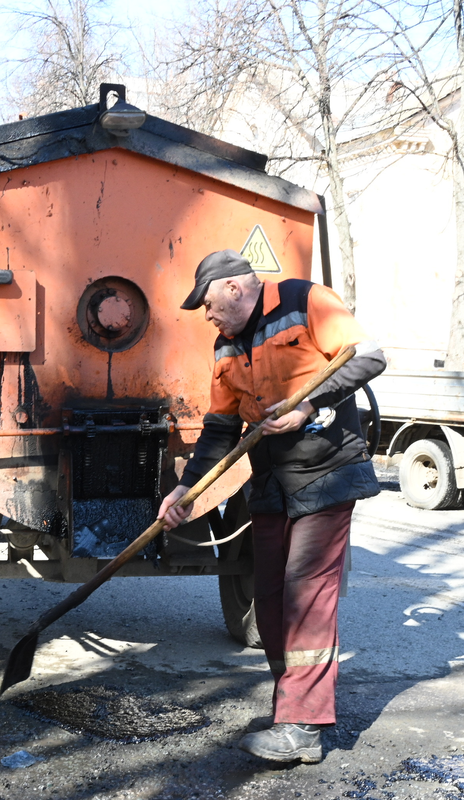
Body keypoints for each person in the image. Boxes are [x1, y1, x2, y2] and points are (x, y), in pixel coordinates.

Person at [158, 249, 385, 764]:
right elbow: (219, 430)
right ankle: (292, 706)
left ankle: (303, 726)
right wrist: (185, 491)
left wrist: (310, 403)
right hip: (271, 484)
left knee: (306, 594)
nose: (208, 317)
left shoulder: (307, 301)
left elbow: (369, 356)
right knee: (270, 599)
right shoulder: (225, 348)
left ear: (235, 289)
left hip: (326, 475)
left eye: (211, 305)